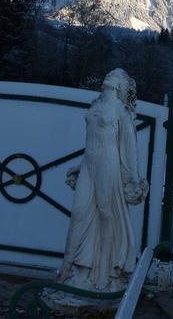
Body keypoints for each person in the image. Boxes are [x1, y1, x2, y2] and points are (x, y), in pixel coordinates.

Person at [58, 68, 149, 294]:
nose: (109, 75)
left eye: (115, 75)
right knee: (78, 214)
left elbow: (129, 150)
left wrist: (134, 179)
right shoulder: (95, 105)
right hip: (89, 165)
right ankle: (66, 270)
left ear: (121, 85)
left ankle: (104, 272)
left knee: (106, 214)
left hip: (108, 165)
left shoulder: (121, 111)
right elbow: (91, 143)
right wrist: (79, 167)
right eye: (108, 73)